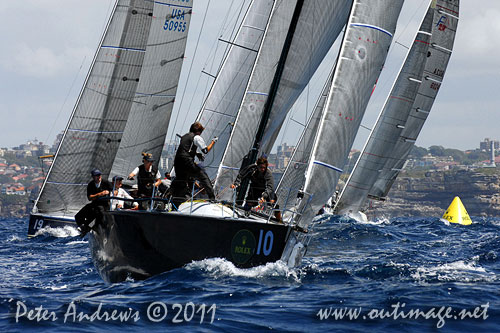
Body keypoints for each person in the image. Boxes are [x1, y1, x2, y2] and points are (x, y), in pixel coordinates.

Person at [172, 122, 217, 205]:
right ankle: (212, 199)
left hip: (177, 162)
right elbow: (205, 150)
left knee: (181, 180)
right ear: (198, 131)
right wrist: (213, 142)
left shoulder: (185, 136)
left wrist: (196, 153)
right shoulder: (196, 137)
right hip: (186, 161)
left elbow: (186, 148)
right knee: (203, 177)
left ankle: (176, 201)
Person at [231, 157, 282, 223]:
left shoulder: (268, 173)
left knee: (273, 202)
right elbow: (241, 175)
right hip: (254, 188)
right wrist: (236, 184)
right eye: (261, 167)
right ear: (257, 166)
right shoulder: (252, 169)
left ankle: (279, 220)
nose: (262, 169)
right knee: (249, 203)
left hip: (267, 190)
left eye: (264, 167)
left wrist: (264, 197)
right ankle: (245, 217)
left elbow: (270, 187)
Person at [75, 169, 112, 237]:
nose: (99, 176)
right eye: (97, 175)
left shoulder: (106, 182)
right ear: (93, 177)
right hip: (94, 204)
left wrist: (109, 192)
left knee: (99, 212)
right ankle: (85, 228)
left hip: (104, 204)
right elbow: (90, 197)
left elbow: (114, 191)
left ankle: (96, 228)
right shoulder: (91, 184)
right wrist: (100, 194)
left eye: (99, 175)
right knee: (78, 216)